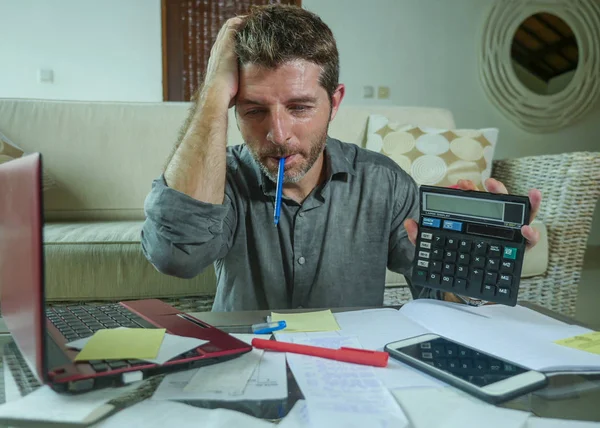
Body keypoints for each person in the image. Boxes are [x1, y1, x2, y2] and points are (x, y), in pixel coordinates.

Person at [141, 4, 541, 311]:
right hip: (247, 369)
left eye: (299, 108)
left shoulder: (383, 183)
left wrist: (476, 267)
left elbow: (439, 299)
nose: (278, 135)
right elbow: (176, 255)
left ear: (335, 103)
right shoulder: (221, 179)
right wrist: (212, 91)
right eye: (253, 110)